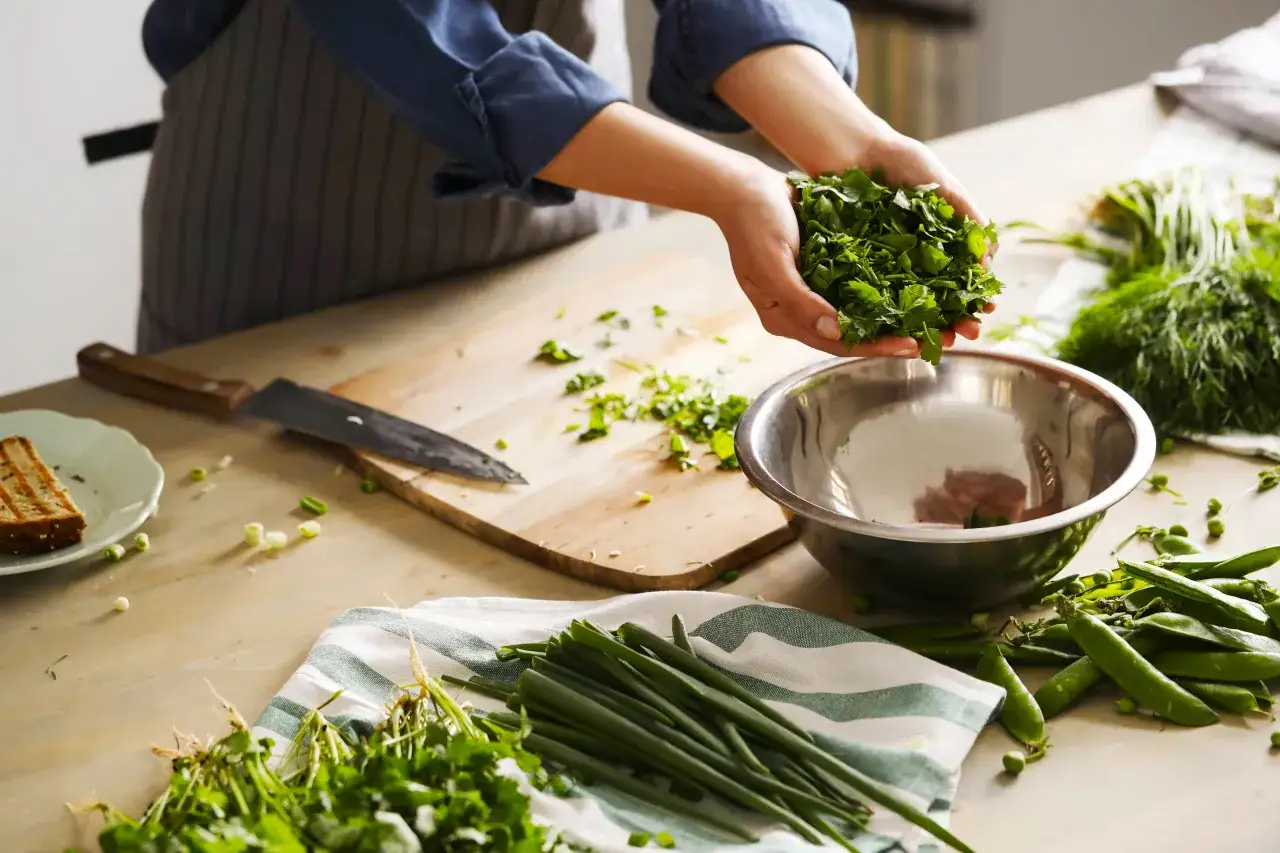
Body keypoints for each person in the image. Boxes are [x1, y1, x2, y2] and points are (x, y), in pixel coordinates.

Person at [137, 0, 993, 357]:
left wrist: (847, 140)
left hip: (582, 196)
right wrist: (735, 188)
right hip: (291, 233)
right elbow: (415, 26)